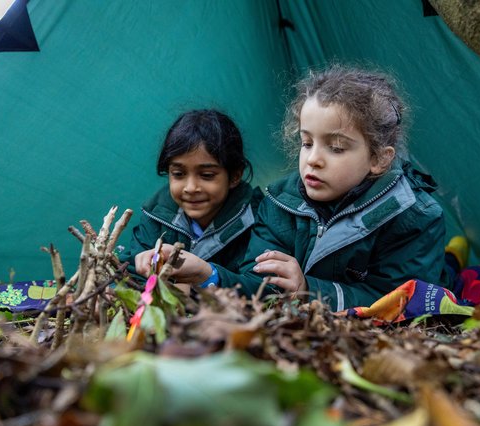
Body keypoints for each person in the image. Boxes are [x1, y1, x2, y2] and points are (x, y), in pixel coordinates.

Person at [149, 66, 448, 311]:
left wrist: (308, 288)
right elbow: (256, 285)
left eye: (336, 147)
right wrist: (207, 274)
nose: (313, 159)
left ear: (378, 159)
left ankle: (453, 260)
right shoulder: (280, 203)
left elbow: (405, 302)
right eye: (307, 143)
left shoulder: (416, 217)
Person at [119, 109, 263, 278]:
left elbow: (260, 287)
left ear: (235, 176)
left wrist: (208, 276)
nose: (191, 187)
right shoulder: (156, 216)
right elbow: (130, 273)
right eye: (178, 174)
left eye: (207, 175)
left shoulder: (259, 218)